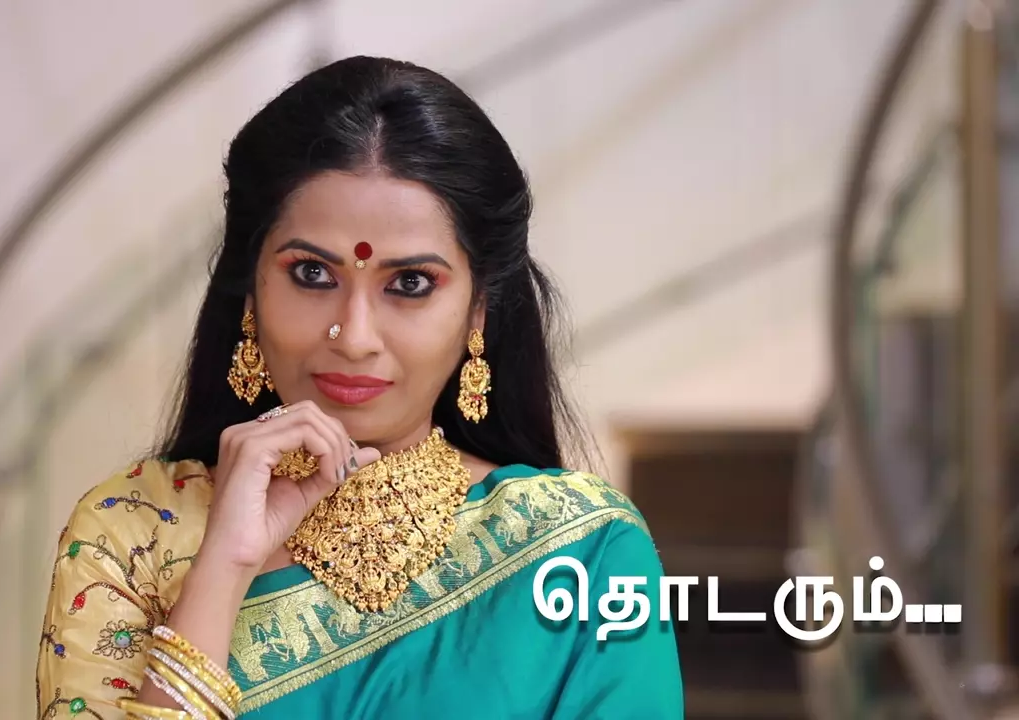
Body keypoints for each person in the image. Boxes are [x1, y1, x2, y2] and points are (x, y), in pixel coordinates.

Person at [36, 55, 682, 719]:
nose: (354, 336)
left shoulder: (581, 550)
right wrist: (223, 567)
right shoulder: (130, 534)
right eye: (312, 274)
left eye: (410, 284)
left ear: (478, 311)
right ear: (251, 290)